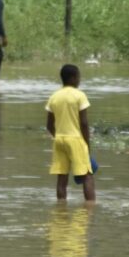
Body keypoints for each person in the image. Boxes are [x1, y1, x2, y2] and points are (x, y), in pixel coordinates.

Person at [46, 64, 96, 202]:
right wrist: (86, 145)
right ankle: (90, 208)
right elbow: (84, 123)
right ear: (73, 78)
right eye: (79, 77)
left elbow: (49, 125)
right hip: (75, 139)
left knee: (62, 177)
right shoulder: (79, 95)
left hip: (59, 140)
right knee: (87, 175)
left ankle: (61, 207)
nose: (80, 80)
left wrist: (58, 137)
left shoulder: (54, 96)